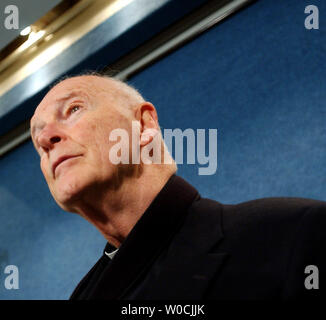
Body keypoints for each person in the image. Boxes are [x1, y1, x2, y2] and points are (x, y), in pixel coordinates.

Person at [30, 74, 326, 300]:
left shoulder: (292, 235)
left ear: (143, 126)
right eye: (37, 138)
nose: (46, 140)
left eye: (73, 109)